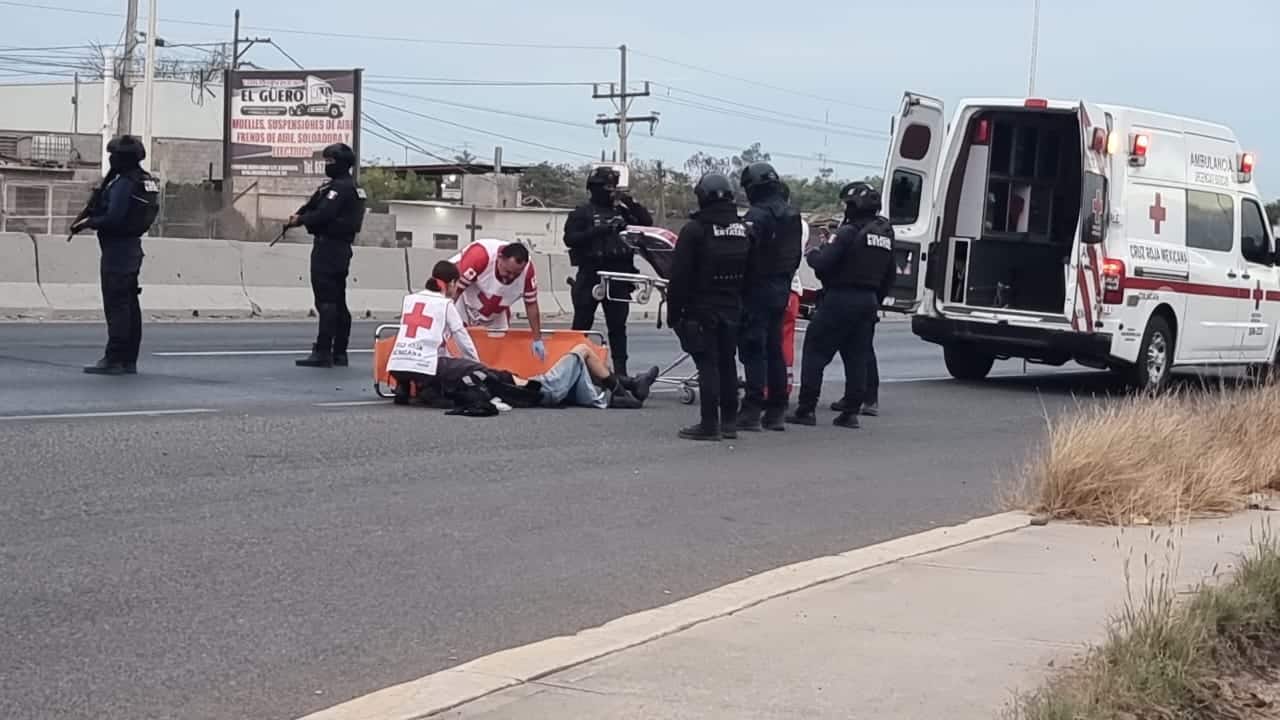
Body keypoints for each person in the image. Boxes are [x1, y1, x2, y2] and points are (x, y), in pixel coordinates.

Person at [787, 182, 895, 429]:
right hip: (867, 302)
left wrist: (813, 254)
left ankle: (806, 410)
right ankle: (850, 414)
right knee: (857, 358)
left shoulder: (848, 232)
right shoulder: (885, 235)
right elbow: (890, 276)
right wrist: (874, 301)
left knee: (815, 353)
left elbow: (824, 263)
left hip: (840, 298)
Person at [667, 172, 755, 442]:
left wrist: (674, 314)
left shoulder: (696, 230)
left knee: (707, 364)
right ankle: (729, 422)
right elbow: (753, 272)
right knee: (728, 363)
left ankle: (709, 424)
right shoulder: (744, 230)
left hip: (702, 307)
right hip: (733, 306)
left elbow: (679, 276)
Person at [69, 135, 159, 375]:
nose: (110, 158)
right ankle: (129, 359)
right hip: (131, 249)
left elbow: (114, 217)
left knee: (117, 305)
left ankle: (114, 358)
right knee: (129, 305)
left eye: (113, 155)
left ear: (122, 158)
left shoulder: (124, 183)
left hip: (118, 251)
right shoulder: (144, 180)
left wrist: (89, 222)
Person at [564, 165, 654, 376]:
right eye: (606, 188)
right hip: (591, 274)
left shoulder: (622, 211)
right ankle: (573, 371)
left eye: (612, 188)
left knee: (618, 327)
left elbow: (646, 223)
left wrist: (629, 202)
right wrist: (599, 230)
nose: (609, 192)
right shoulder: (582, 213)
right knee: (581, 327)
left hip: (619, 275)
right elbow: (570, 239)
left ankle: (621, 374)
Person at [736, 162, 802, 432]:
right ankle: (777, 408)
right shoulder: (792, 214)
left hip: (757, 288)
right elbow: (795, 255)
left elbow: (744, 250)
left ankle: (752, 409)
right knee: (775, 348)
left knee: (754, 349)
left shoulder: (758, 215)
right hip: (781, 287)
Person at [291, 143, 366, 369]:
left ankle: (324, 351)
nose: (326, 165)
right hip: (340, 249)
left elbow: (324, 214)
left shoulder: (340, 189)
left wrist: (301, 220)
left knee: (326, 301)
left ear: (342, 163)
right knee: (338, 300)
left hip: (329, 248)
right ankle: (339, 352)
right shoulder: (348, 187)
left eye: (330, 161)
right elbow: (315, 206)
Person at [387, 260, 482, 406]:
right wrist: (475, 364)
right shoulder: (445, 304)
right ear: (451, 283)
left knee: (434, 357)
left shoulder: (409, 299)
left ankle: (403, 387)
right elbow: (462, 338)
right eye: (456, 284)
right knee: (461, 365)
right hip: (425, 369)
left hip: (396, 366)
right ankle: (428, 389)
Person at [450, 239, 546, 361]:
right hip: (464, 297)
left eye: (516, 274)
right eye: (507, 272)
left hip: (496, 309)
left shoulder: (528, 272)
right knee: (457, 341)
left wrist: (537, 338)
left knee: (498, 350)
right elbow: (454, 292)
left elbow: (531, 304)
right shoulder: (480, 256)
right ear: (499, 258)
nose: (510, 277)